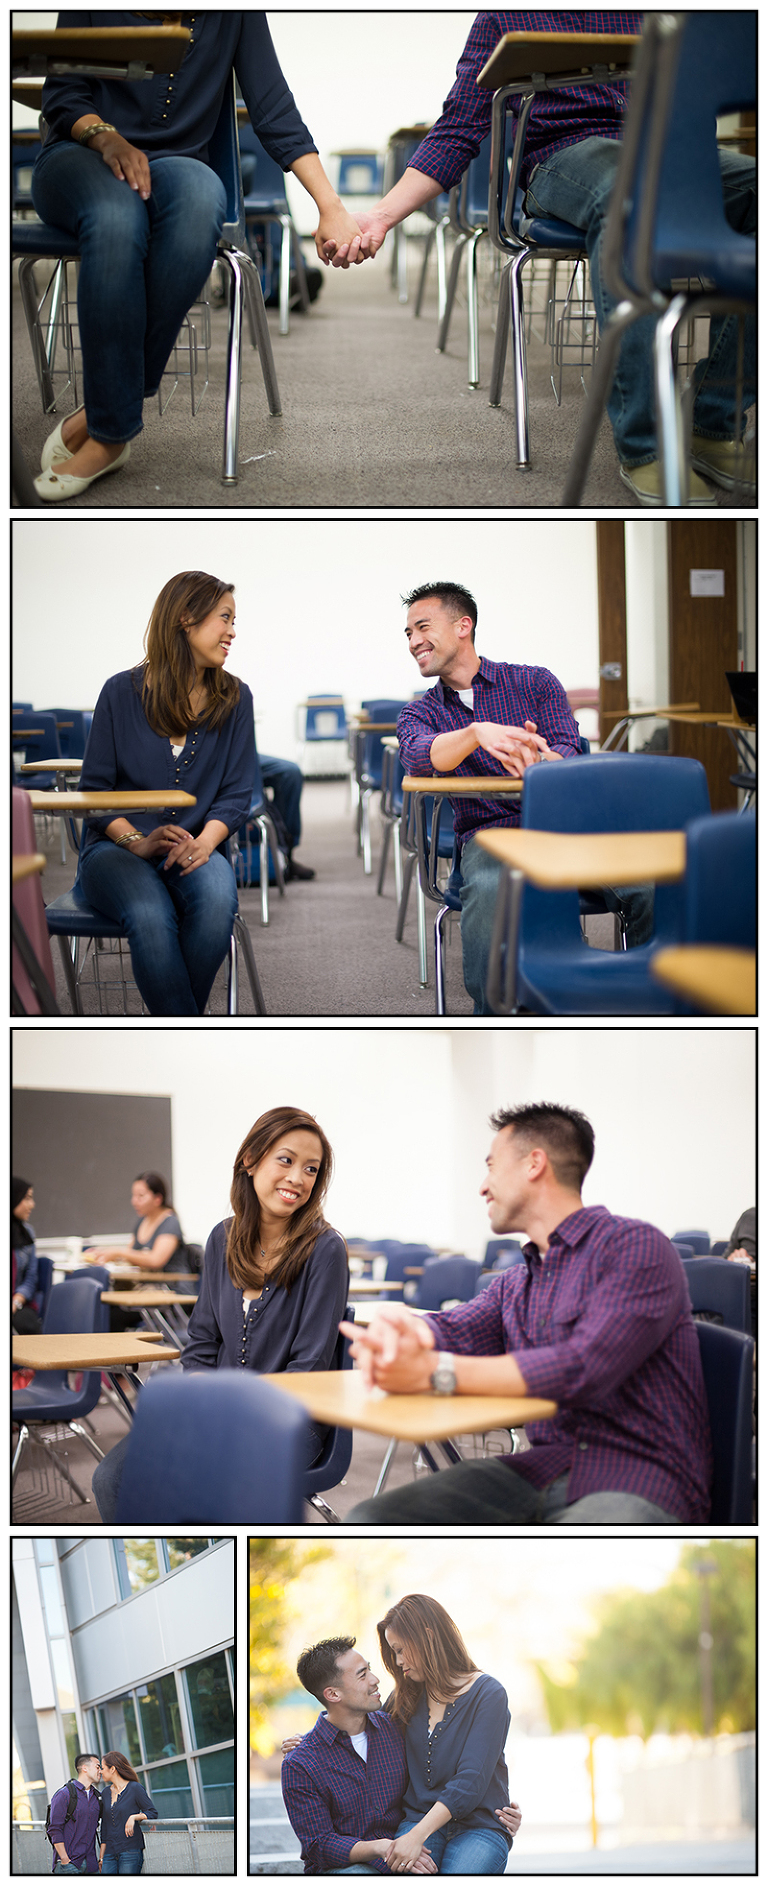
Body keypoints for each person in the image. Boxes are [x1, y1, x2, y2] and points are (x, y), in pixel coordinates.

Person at [331, 11, 756, 507]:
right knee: (631, 200)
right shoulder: (504, 14)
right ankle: (645, 447)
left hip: (668, 150)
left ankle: (714, 420)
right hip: (566, 156)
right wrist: (382, 215)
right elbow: (459, 128)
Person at [32, 10, 367, 501]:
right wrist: (107, 139)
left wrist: (330, 206)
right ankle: (111, 433)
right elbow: (62, 95)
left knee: (201, 199)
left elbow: (273, 108)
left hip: (175, 165)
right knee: (117, 217)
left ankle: (106, 417)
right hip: (78, 152)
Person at [344, 1102, 713, 1526]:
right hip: (541, 1468)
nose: (483, 1187)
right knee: (369, 1519)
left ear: (534, 1163)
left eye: (492, 1166)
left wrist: (434, 1371)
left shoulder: (636, 1247)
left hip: (640, 1475)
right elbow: (453, 1329)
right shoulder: (515, 1282)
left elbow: (584, 1367)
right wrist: (404, 1333)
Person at [396, 581, 652, 1014]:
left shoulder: (533, 682)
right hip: (492, 837)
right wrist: (476, 734)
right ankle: (495, 1017)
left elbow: (569, 751)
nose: (414, 641)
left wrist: (544, 761)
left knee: (652, 883)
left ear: (464, 626)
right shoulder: (421, 712)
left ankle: (654, 1000)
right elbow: (418, 757)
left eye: (422, 627)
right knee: (494, 886)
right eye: (408, 633)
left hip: (564, 828)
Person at [91, 1105, 348, 1519]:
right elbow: (202, 1342)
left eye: (312, 1169)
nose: (298, 1178)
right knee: (112, 1479)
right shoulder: (222, 1238)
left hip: (290, 1418)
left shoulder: (325, 1249)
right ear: (250, 1160)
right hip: (214, 1410)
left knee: (198, 1485)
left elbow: (310, 1366)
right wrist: (204, 1401)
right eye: (286, 1160)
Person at [74, 570, 253, 1016]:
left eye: (234, 620)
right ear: (185, 619)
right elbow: (94, 792)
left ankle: (175, 1029)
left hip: (196, 844)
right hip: (114, 849)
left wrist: (204, 844)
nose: (234, 631)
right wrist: (137, 843)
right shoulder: (119, 692)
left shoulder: (236, 697)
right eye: (224, 618)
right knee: (151, 916)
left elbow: (235, 793)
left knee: (216, 904)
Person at [282, 1608, 521, 1875]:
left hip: (477, 1824)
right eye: (393, 1652)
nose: (397, 1662)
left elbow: (472, 1777)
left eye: (400, 1650)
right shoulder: (404, 1696)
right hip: (416, 1822)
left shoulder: (489, 1693)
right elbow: (349, 1723)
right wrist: (306, 1741)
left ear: (427, 1639)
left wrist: (414, 1837)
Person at [84, 1173, 182, 1274]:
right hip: (145, 1283)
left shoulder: (170, 1222)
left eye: (141, 1196)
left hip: (168, 1286)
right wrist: (105, 1253)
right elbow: (131, 1255)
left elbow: (156, 1260)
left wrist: (119, 1252)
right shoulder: (142, 1221)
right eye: (133, 1196)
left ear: (158, 1199)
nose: (134, 1201)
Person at [98, 1753, 157, 1876]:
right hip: (109, 1852)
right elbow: (105, 1826)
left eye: (102, 1768)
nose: (100, 1772)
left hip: (130, 1850)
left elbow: (152, 1812)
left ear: (113, 1769)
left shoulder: (135, 1788)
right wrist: (101, 1857)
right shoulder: (105, 1793)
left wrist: (134, 1817)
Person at [48, 1752, 103, 1875]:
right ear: (85, 1768)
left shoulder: (97, 1798)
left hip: (91, 1864)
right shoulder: (64, 1794)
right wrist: (64, 1859)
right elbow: (54, 1829)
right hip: (69, 1864)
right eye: (97, 1767)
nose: (101, 1771)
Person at [12, 1175, 41, 1334]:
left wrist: (15, 1303)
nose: (32, 1205)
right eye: (27, 1198)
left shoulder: (27, 1232)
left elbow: (31, 1278)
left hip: (18, 1302)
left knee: (28, 1325)